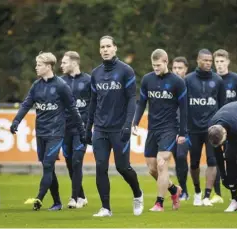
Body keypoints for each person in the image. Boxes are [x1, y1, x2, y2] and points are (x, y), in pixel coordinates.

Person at [10, 52, 85, 211]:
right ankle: (57, 202)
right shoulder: (36, 86)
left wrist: (82, 130)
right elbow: (26, 105)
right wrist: (16, 121)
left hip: (56, 132)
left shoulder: (61, 86)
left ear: (48, 66)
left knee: (49, 164)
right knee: (47, 167)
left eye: (39, 65)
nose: (36, 67)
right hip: (41, 133)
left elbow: (73, 109)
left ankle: (39, 197)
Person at [86, 35, 143, 217]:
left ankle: (137, 194)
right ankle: (106, 208)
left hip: (119, 129)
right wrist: (88, 128)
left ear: (115, 48)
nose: (105, 50)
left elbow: (132, 101)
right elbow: (93, 103)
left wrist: (128, 125)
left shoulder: (126, 71)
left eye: (108, 46)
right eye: (102, 47)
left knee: (122, 167)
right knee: (100, 166)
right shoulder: (95, 73)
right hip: (100, 129)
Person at [133, 49, 187, 212]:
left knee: (162, 164)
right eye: (153, 65)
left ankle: (159, 203)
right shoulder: (147, 79)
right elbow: (142, 102)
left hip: (169, 128)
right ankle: (173, 189)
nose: (155, 68)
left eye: (158, 65)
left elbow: (184, 109)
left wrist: (182, 132)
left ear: (166, 62)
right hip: (153, 128)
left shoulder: (177, 82)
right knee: (152, 168)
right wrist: (135, 121)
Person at [185, 49, 226, 207]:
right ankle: (197, 191)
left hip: (212, 129)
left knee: (212, 161)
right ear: (198, 60)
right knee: (194, 164)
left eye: (210, 60)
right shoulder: (188, 80)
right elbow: (182, 105)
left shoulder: (218, 80)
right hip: (193, 129)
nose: (208, 63)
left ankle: (207, 195)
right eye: (205, 60)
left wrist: (222, 126)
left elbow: (222, 106)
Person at [211, 49, 237, 204]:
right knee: (216, 158)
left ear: (227, 62)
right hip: (217, 125)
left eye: (222, 61)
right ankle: (217, 194)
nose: (219, 65)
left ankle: (236, 189)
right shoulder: (211, 79)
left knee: (233, 158)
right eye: (217, 62)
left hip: (235, 127)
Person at [60, 51, 91, 209]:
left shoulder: (88, 80)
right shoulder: (60, 82)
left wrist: (90, 126)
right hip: (65, 129)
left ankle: (74, 198)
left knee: (77, 161)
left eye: (64, 62)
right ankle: (82, 196)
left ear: (74, 63)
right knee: (70, 163)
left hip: (81, 129)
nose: (61, 65)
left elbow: (94, 104)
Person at [172, 56, 190, 201]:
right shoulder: (168, 84)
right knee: (177, 159)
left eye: (180, 68)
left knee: (182, 156)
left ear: (186, 70)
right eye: (175, 68)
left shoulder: (191, 84)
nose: (177, 71)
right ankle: (183, 190)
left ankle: (212, 193)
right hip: (171, 128)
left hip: (189, 128)